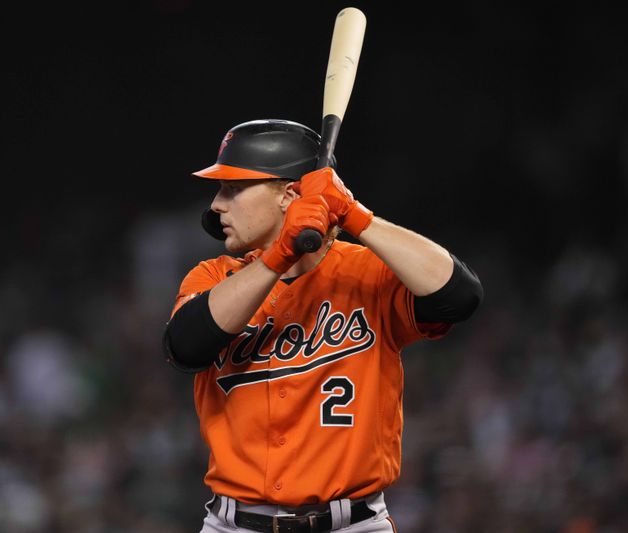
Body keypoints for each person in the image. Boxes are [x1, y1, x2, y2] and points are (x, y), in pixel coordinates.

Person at [163, 119, 483, 533]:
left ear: (290, 194)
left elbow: (460, 296)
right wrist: (280, 253)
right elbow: (185, 345)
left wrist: (354, 214)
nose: (216, 206)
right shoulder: (212, 277)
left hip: (354, 525)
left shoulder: (366, 273)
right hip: (236, 525)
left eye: (234, 189)